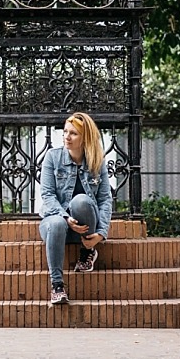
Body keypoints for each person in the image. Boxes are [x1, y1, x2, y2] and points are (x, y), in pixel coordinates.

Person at [38, 111, 112, 306]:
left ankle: (87, 251)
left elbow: (105, 199)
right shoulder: (52, 158)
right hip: (57, 224)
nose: (67, 137)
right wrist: (64, 217)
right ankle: (57, 286)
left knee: (81, 201)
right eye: (65, 132)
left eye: (73, 133)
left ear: (85, 137)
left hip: (84, 229)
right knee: (56, 223)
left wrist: (101, 233)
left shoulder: (96, 161)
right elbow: (47, 195)